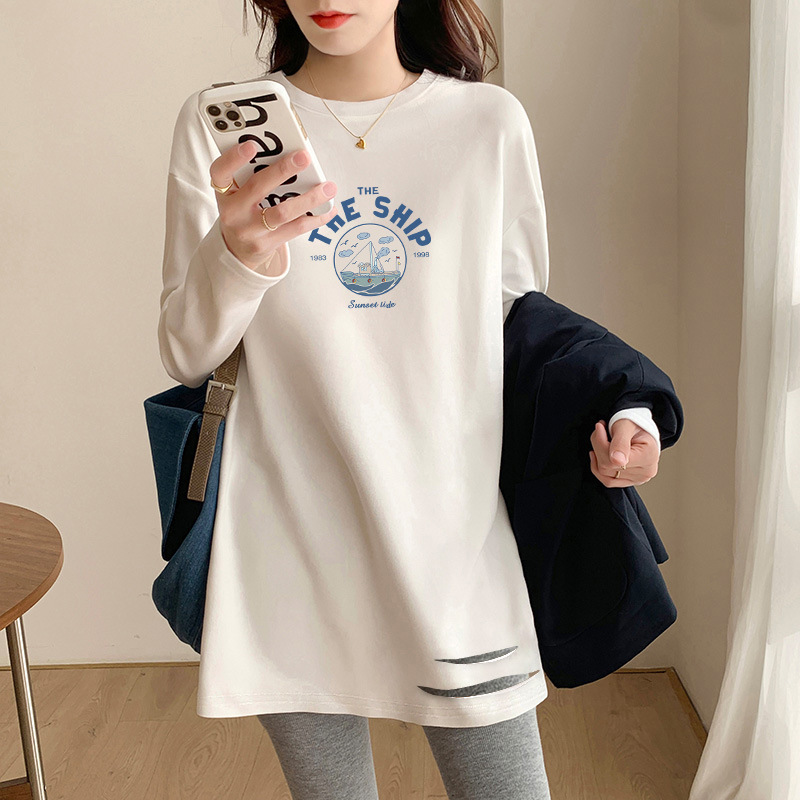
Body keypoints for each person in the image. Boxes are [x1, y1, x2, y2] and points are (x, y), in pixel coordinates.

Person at [158, 0, 663, 797]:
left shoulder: (487, 123)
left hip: (453, 545)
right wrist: (238, 257)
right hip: (288, 549)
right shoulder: (218, 129)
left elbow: (523, 328)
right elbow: (187, 352)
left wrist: (628, 411)